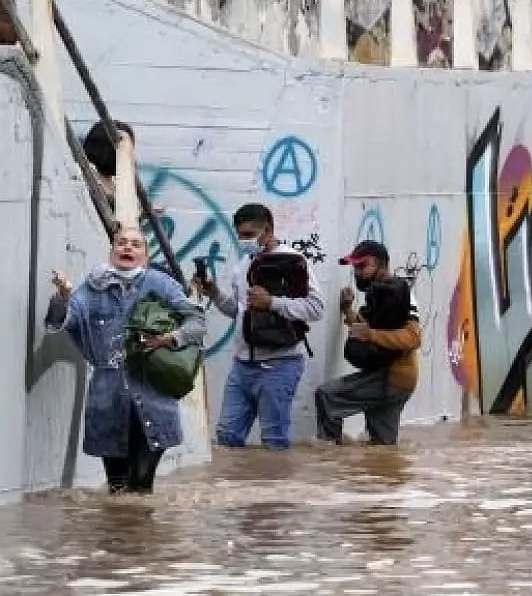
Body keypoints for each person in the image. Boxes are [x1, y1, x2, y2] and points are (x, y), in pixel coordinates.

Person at [45, 228, 205, 494]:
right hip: (108, 399)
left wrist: (169, 338)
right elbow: (61, 322)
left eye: (135, 244)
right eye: (121, 243)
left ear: (144, 255)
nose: (127, 248)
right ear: (112, 251)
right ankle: (118, 535)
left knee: (141, 486)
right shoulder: (92, 288)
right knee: (117, 490)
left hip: (153, 398)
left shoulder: (160, 284)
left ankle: (139, 533)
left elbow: (197, 321)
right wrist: (63, 296)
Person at [197, 203, 325, 450]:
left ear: (267, 229)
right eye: (240, 235)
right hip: (242, 365)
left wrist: (272, 303)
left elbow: (316, 308)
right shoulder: (244, 264)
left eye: (248, 235)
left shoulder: (294, 262)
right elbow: (238, 310)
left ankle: (276, 487)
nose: (243, 241)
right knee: (227, 436)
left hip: (280, 364)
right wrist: (214, 292)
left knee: (274, 442)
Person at [315, 241, 421, 445]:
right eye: (355, 267)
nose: (357, 273)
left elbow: (412, 338)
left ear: (382, 265)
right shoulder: (380, 293)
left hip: (391, 376)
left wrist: (371, 334)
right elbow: (369, 328)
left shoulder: (402, 296)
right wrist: (347, 310)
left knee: (327, 396)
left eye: (363, 266)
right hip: (398, 379)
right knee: (382, 448)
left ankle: (330, 461)